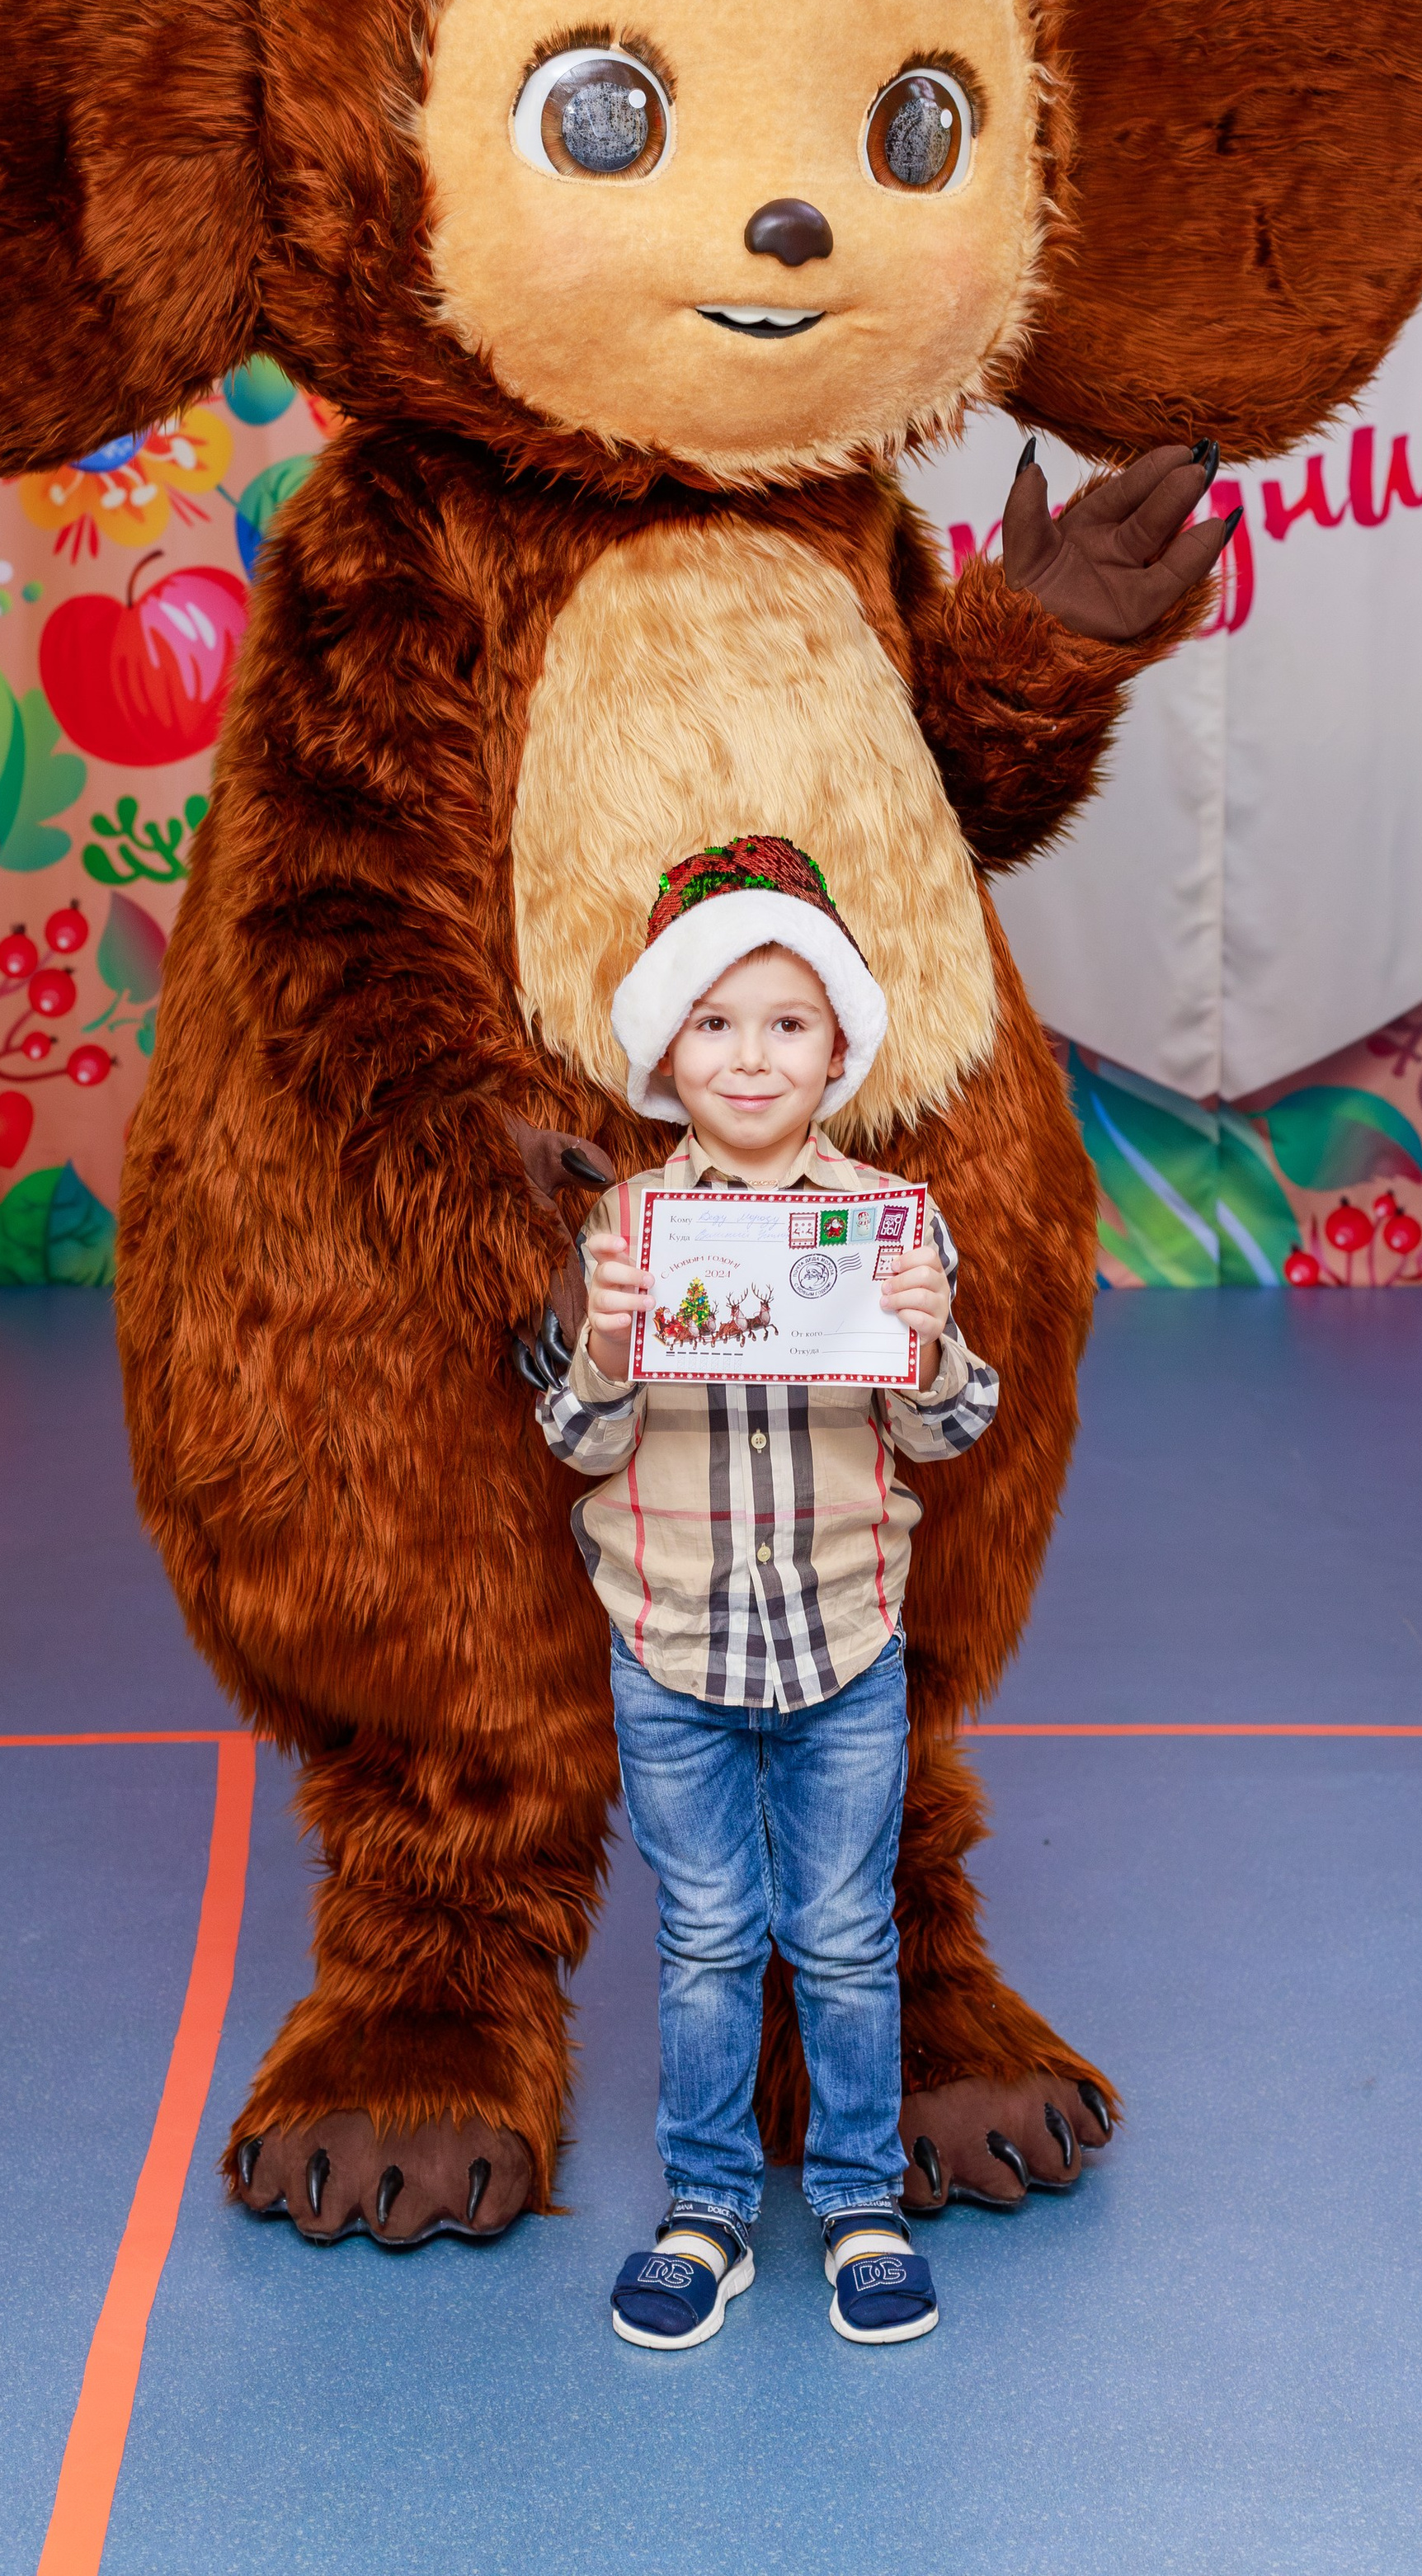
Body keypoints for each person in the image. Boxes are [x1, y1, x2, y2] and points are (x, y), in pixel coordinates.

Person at [534, 836, 999, 2348]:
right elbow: (579, 1441)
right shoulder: (627, 1236)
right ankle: (709, 2208)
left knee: (848, 1935)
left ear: (840, 1046)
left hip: (844, 1637)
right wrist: (604, 1347)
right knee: (708, 1939)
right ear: (670, 1048)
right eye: (718, 1022)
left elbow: (948, 1430)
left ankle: (859, 2198)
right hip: (669, 1643)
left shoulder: (892, 1227)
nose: (752, 1054)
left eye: (788, 1023)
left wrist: (928, 1342)